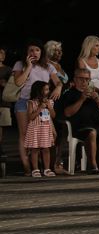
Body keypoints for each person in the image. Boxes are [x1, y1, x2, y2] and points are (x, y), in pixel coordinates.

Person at [11, 41, 63, 176]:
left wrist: (58, 87)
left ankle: (44, 166)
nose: (34, 53)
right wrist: (28, 67)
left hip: (43, 103)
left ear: (42, 52)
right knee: (25, 134)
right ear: (26, 53)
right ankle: (27, 166)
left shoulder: (48, 66)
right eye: (31, 50)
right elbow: (18, 82)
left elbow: (58, 81)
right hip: (25, 102)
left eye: (37, 50)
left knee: (46, 133)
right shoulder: (20, 64)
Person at [23, 80, 56, 177]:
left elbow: (53, 116)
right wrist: (40, 108)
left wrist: (49, 107)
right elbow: (30, 117)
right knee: (35, 149)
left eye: (48, 89)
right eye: (46, 89)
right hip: (35, 129)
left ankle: (47, 169)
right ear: (39, 91)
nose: (48, 91)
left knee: (46, 149)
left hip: (45, 128)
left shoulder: (50, 102)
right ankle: (35, 169)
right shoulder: (31, 103)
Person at [77, 36, 99, 103]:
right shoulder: (81, 61)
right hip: (88, 95)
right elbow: (85, 81)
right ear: (89, 46)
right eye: (97, 46)